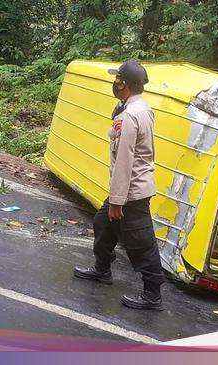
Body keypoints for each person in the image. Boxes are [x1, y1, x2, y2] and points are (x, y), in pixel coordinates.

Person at [73, 60, 165, 311]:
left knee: (141, 243)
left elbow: (125, 159)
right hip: (129, 189)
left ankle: (152, 294)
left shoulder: (129, 116)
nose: (115, 83)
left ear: (123, 83)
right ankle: (102, 270)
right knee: (103, 223)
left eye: (117, 79)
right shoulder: (140, 109)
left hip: (131, 192)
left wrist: (117, 200)